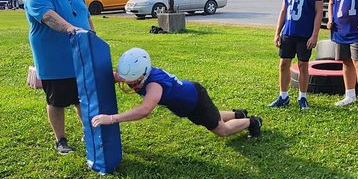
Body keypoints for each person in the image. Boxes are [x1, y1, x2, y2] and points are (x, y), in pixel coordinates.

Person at [91, 48, 262, 139]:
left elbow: (144, 110)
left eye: (132, 81)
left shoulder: (154, 86)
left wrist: (112, 118)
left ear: (142, 74)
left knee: (221, 131)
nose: (128, 84)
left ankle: (253, 122)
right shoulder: (137, 73)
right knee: (212, 116)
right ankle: (238, 114)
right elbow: (115, 76)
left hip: (196, 101)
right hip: (188, 104)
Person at [24, 0, 95, 153]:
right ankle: (61, 140)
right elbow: (47, 15)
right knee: (57, 101)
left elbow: (85, 13)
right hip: (54, 59)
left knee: (82, 97)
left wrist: (91, 34)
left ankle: (89, 132)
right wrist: (71, 29)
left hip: (80, 55)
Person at [269, 0, 326, 111]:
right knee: (283, 64)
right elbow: (283, 11)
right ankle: (283, 96)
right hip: (288, 33)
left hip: (304, 34)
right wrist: (277, 32)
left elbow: (318, 14)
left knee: (303, 65)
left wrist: (314, 35)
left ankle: (302, 97)